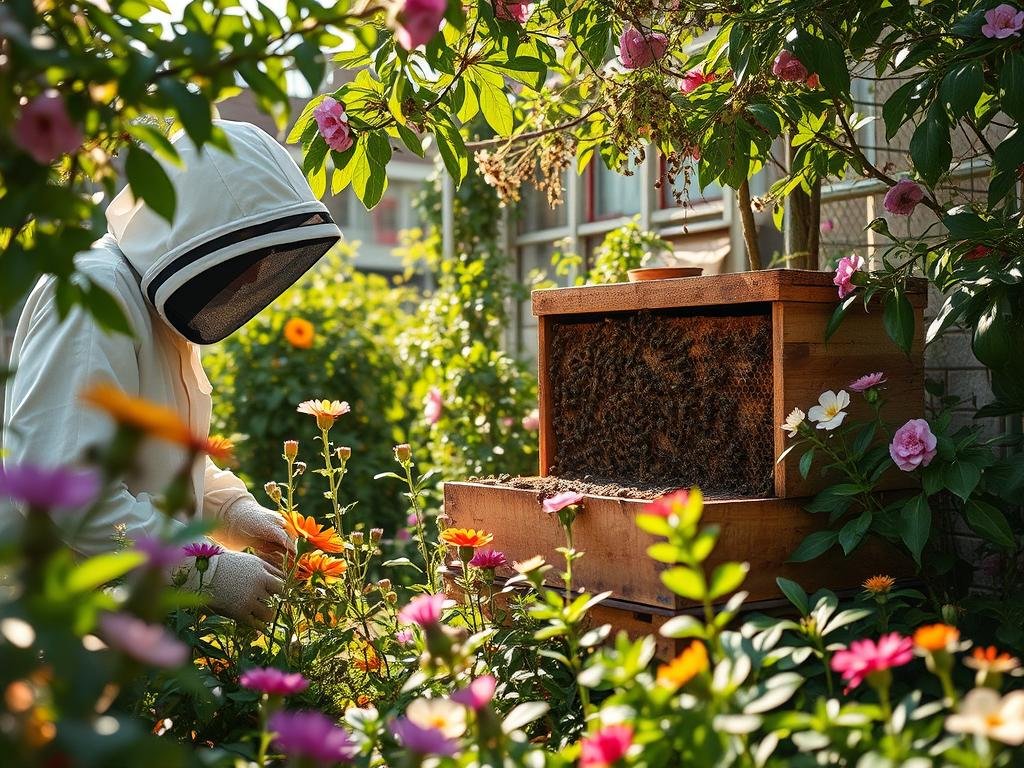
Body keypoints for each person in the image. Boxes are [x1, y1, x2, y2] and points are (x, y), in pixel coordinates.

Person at [2, 120, 342, 628]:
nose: (253, 275)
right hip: (58, 635)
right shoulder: (97, 298)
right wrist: (202, 569)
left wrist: (231, 510)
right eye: (251, 253)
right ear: (200, 226)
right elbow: (64, 488)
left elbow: (161, 455)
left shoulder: (157, 309)